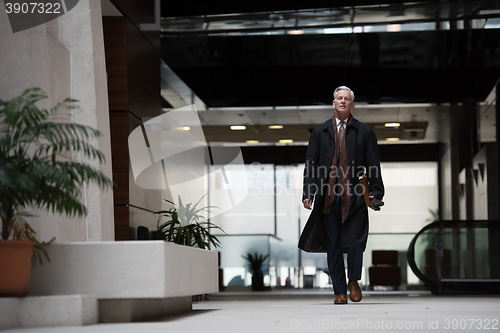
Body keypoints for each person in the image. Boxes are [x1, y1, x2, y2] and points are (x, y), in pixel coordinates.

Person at [299, 86, 384, 304]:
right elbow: (311, 165)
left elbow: (373, 164)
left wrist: (375, 192)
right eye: (339, 98)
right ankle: (339, 291)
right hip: (328, 196)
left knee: (356, 240)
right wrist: (308, 191)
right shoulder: (320, 133)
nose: (343, 102)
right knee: (333, 244)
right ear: (334, 103)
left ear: (352, 104)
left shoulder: (365, 132)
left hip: (355, 194)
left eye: (347, 99)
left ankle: (353, 281)